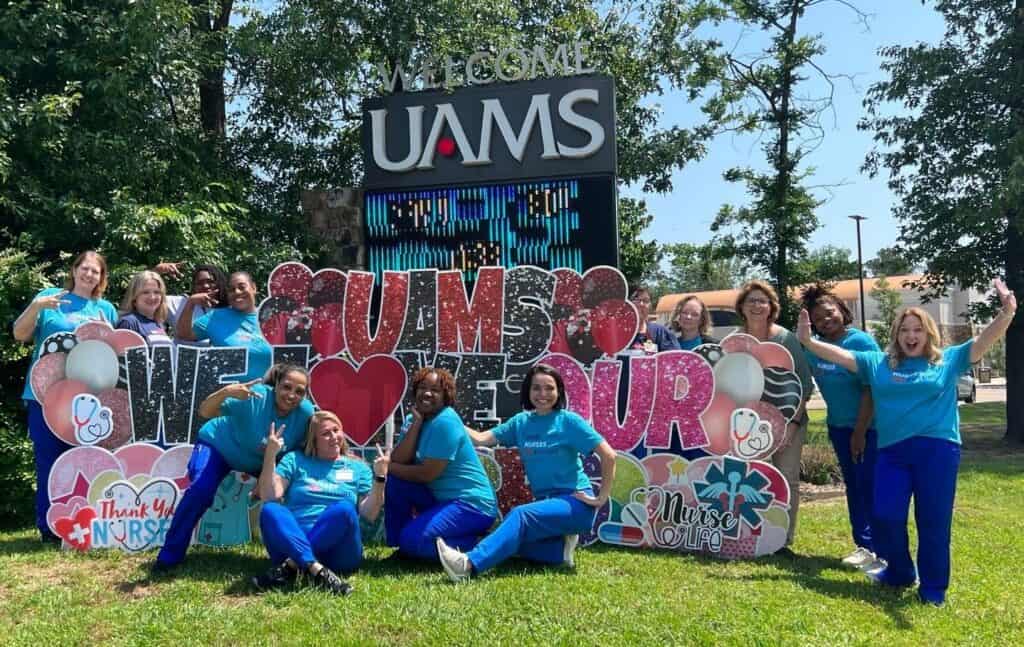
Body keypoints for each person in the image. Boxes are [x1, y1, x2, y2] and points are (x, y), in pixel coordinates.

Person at [797, 279, 1016, 606]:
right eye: (904, 330)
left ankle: (933, 588)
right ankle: (899, 572)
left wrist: (1007, 312)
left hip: (938, 452)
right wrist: (806, 340)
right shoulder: (878, 364)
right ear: (896, 335)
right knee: (885, 515)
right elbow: (840, 355)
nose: (911, 336)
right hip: (892, 454)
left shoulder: (949, 360)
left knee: (933, 521)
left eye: (918, 330)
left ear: (928, 333)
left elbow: (985, 339)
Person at [437, 364, 616, 580]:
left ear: (559, 391)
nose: (543, 394)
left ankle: (467, 565)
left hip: (575, 503)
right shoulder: (521, 423)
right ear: (527, 392)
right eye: (536, 388)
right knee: (513, 540)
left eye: (549, 388)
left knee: (520, 515)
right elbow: (480, 438)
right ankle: (559, 551)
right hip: (545, 506)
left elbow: (609, 455)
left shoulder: (568, 421)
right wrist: (445, 412)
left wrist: (600, 498)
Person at [154, 363, 315, 570]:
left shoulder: (305, 414)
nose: (291, 395)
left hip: (261, 461)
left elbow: (311, 444)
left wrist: (269, 475)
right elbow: (205, 411)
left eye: (299, 391)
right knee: (200, 491)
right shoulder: (254, 398)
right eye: (286, 387)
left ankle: (296, 556)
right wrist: (226, 392)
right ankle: (169, 557)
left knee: (291, 492)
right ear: (276, 386)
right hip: (220, 447)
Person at [13, 250, 119, 543]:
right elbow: (20, 334)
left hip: (88, 399)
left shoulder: (106, 309)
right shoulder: (50, 298)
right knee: (47, 459)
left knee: (86, 460)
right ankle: (49, 527)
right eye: (84, 268)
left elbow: (112, 356)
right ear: (74, 270)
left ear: (101, 277)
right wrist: (36, 306)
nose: (89, 275)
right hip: (44, 395)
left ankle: (85, 523)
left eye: (95, 271)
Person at [253, 411, 389, 596]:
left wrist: (380, 477)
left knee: (344, 509)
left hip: (340, 552)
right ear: (313, 440)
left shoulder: (358, 467)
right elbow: (270, 495)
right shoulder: (295, 460)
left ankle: (292, 566)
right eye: (326, 433)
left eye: (337, 430)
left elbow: (369, 514)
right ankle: (316, 569)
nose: (334, 437)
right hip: (292, 541)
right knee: (271, 509)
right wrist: (270, 455)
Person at [800, 285, 882, 571]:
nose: (826, 320)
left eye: (830, 312)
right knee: (854, 485)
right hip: (838, 428)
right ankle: (864, 545)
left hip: (870, 429)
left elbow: (871, 390)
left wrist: (859, 432)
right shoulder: (813, 348)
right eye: (818, 318)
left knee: (868, 485)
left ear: (842, 311)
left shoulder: (860, 343)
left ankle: (879, 548)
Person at [384, 367, 498, 561]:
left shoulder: (446, 421)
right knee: (396, 482)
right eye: (423, 387)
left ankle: (482, 542)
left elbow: (427, 474)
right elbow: (400, 459)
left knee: (415, 540)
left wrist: (388, 467)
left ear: (446, 396)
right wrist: (417, 425)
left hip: (472, 504)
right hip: (440, 499)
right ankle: (401, 547)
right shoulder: (414, 418)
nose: (427, 393)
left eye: (435, 390)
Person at [734, 280, 812, 550]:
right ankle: (750, 533)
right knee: (750, 476)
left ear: (771, 308)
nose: (757, 305)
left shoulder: (785, 339)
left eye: (762, 301)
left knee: (786, 477)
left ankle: (782, 541)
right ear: (742, 307)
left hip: (788, 422)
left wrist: (793, 423)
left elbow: (804, 384)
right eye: (751, 301)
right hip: (748, 424)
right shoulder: (735, 340)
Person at [176, 270, 271, 382]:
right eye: (231, 290)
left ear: (254, 288)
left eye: (242, 287)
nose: (237, 292)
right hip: (227, 396)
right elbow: (183, 334)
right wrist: (190, 303)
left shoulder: (273, 319)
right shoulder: (215, 317)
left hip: (266, 396)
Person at [163, 263, 229, 348]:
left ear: (220, 283)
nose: (205, 286)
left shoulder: (230, 308)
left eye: (210, 282)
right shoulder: (179, 303)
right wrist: (156, 271)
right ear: (193, 286)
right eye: (199, 283)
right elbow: (145, 296)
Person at [116, 270, 172, 348]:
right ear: (134, 296)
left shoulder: (159, 324)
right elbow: (122, 357)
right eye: (145, 292)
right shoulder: (129, 323)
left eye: (156, 292)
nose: (152, 297)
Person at [627, 285, 680, 353]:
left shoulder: (661, 333)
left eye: (646, 301)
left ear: (650, 306)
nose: (641, 304)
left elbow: (675, 359)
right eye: (636, 299)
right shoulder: (615, 334)